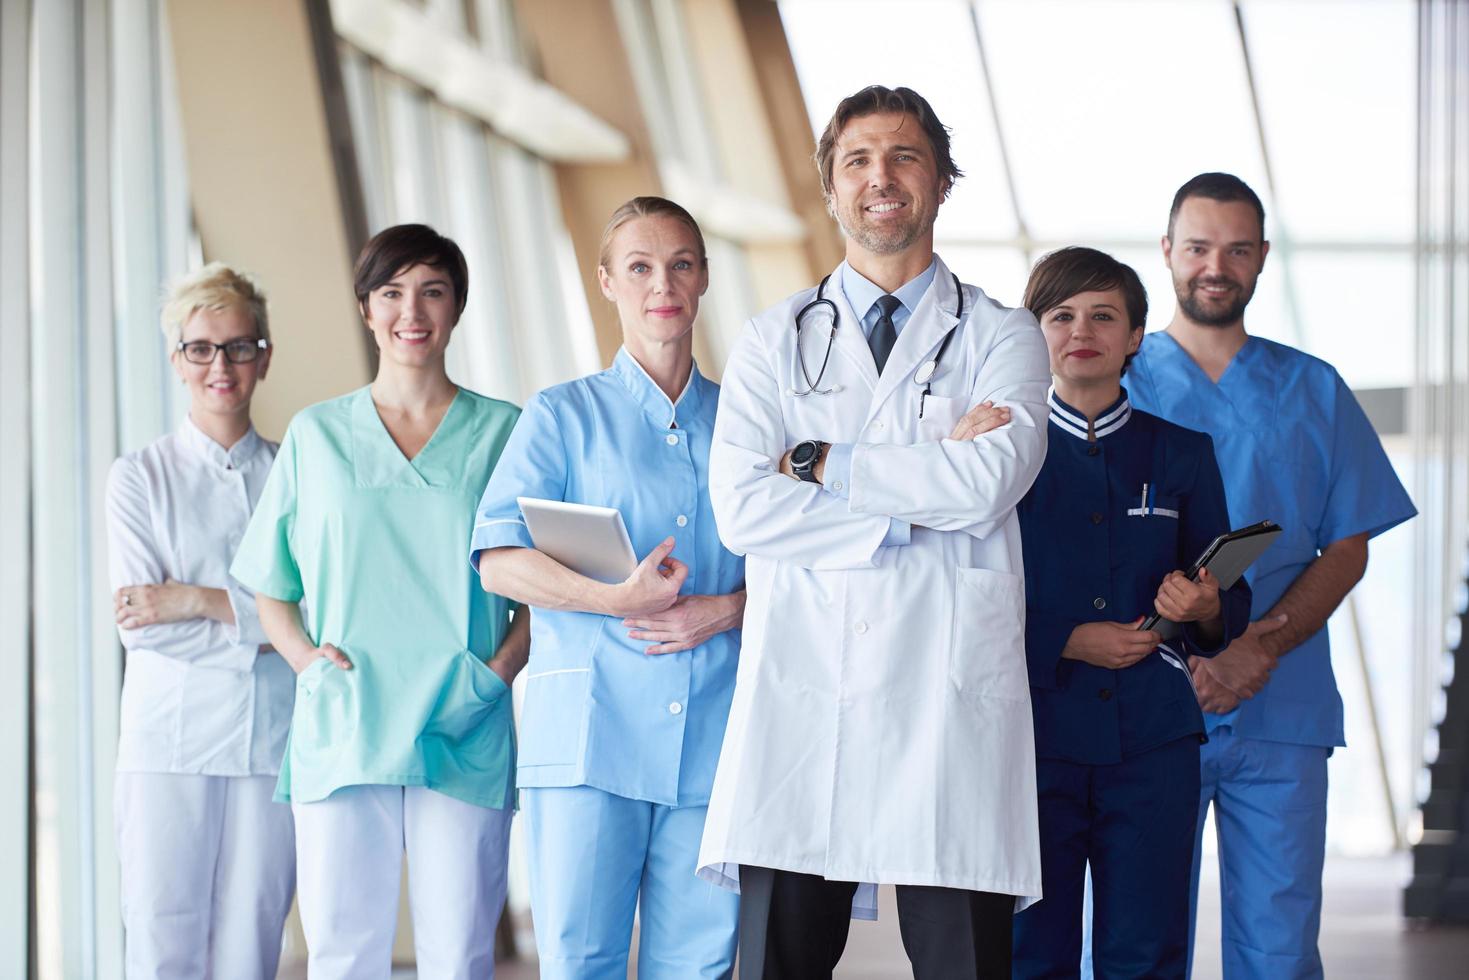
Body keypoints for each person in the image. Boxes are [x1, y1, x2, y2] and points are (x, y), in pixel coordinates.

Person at [696, 84, 1051, 979]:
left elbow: (989, 480)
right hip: (805, 694)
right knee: (777, 963)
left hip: (945, 700)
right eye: (857, 160)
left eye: (903, 158)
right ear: (829, 189)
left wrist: (821, 463)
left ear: (939, 183)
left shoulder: (1003, 336)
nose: (879, 178)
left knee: (962, 963)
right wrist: (924, 473)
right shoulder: (772, 341)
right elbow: (742, 508)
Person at [1125, 173, 1416, 978]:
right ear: (1167, 254)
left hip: (1279, 708)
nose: (1215, 265)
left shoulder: (1311, 388)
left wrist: (1260, 646)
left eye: (1236, 248)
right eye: (1197, 247)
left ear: (1260, 260)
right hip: (1146, 707)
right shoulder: (1115, 383)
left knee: (1278, 949)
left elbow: (1347, 544)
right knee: (1132, 945)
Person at [230, 224, 528, 978]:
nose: (412, 310)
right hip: (344, 718)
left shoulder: (505, 433)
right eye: (392, 292)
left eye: (432, 290)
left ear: (456, 306)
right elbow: (272, 586)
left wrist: (494, 675)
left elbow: (544, 589)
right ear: (366, 308)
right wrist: (305, 663)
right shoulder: (316, 434)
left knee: (458, 954)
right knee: (343, 954)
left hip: (462, 721)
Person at [470, 196, 745, 978]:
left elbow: (800, 573)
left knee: (698, 964)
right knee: (578, 960)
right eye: (640, 266)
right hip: (590, 739)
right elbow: (497, 558)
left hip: (712, 742)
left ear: (701, 281)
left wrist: (727, 609)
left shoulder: (744, 425)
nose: (663, 283)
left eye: (680, 264)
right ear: (605, 281)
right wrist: (613, 600)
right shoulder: (562, 415)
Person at [1007, 247, 1252, 978]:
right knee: (1030, 951)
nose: (1081, 329)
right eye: (1060, 315)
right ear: (1033, 334)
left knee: (1145, 951)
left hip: (1153, 742)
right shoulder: (997, 456)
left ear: (1135, 335)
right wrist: (1066, 640)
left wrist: (1205, 606)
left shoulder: (1182, 453)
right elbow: (960, 599)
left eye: (1103, 315)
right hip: (1029, 738)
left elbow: (1227, 603)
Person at [107, 263, 295, 979]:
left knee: (253, 941)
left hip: (268, 742)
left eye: (240, 346)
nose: (221, 365)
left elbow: (319, 612)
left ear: (265, 357)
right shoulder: (137, 477)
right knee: (162, 939)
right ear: (177, 359)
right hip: (167, 742)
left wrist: (198, 599)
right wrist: (268, 628)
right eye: (202, 348)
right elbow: (142, 625)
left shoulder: (293, 472)